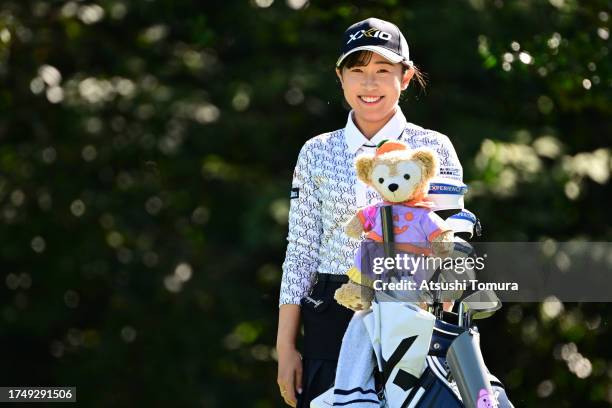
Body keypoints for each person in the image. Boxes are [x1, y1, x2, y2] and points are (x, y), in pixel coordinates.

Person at [276, 17, 466, 408]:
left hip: (416, 315)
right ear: (340, 77)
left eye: (383, 71)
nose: (369, 84)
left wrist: (447, 325)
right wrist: (285, 347)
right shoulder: (316, 151)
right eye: (357, 71)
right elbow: (300, 252)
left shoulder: (433, 148)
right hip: (331, 315)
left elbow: (452, 242)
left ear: (406, 76)